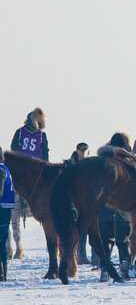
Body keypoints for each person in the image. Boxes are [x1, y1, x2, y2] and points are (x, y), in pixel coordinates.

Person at [8, 107, 49, 260]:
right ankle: (17, 245)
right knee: (14, 210)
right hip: (21, 175)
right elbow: (13, 151)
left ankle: (51, 242)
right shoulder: (20, 133)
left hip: (36, 175)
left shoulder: (42, 135)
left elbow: (45, 155)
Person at [96, 133, 133, 281]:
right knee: (123, 240)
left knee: (106, 241)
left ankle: (105, 270)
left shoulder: (100, 163)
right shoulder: (127, 162)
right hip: (123, 209)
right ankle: (125, 267)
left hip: (103, 210)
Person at [65, 142, 91, 265]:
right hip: (73, 201)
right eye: (82, 149)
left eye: (86, 149)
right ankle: (76, 257)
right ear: (77, 150)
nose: (84, 151)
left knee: (87, 230)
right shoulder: (71, 164)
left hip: (87, 201)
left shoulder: (91, 164)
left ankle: (84, 257)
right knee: (75, 232)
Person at [0, 147, 15, 281]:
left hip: (1, 210)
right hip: (6, 211)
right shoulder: (6, 169)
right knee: (2, 243)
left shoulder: (0, 171)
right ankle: (3, 274)